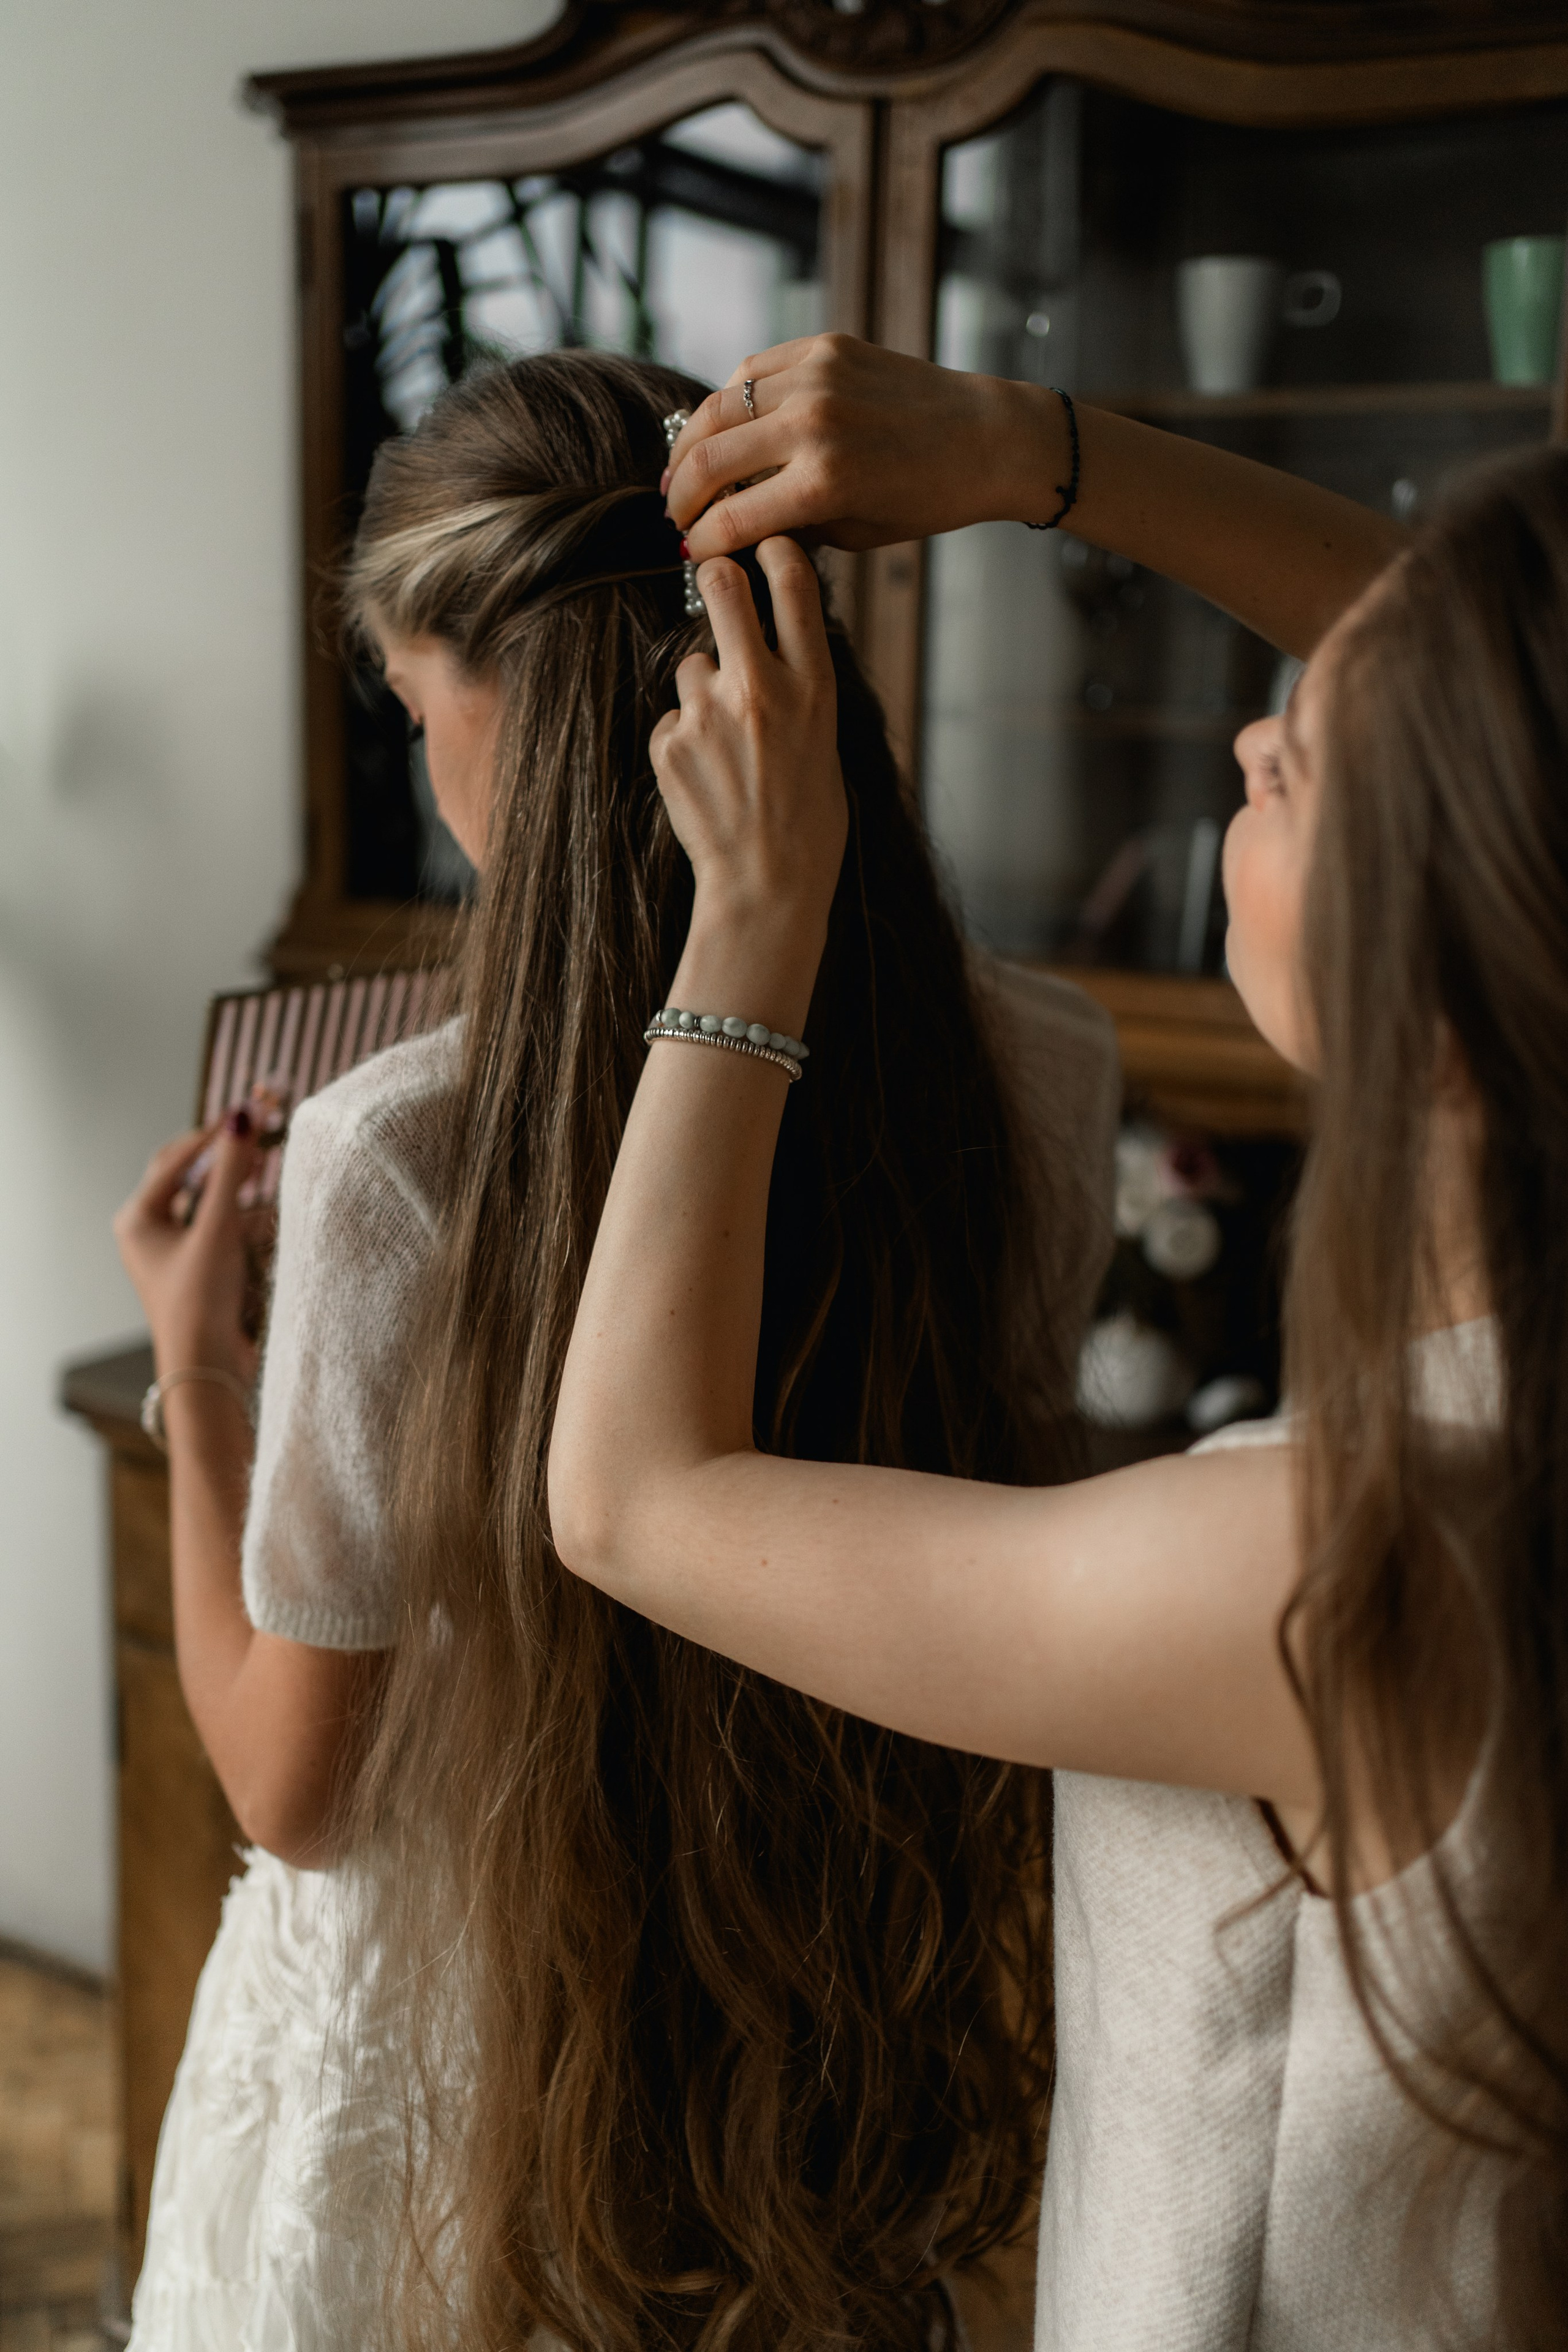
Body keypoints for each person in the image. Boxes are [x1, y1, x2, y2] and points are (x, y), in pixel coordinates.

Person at [113, 343, 1396, 2350]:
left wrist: (196, 1372)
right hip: (819, 2003)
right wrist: (1024, 447)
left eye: (412, 705)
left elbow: (296, 1786)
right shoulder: (1039, 1071)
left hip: (482, 2063)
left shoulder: (391, 1162)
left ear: (510, 716)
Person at [550, 353, 1568, 2348]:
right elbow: (1484, 687)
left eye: (1306, 774)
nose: (1262, 730)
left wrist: (754, 925)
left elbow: (630, 1498)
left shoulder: (1345, 1566)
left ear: (1444, 993)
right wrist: (1033, 460)